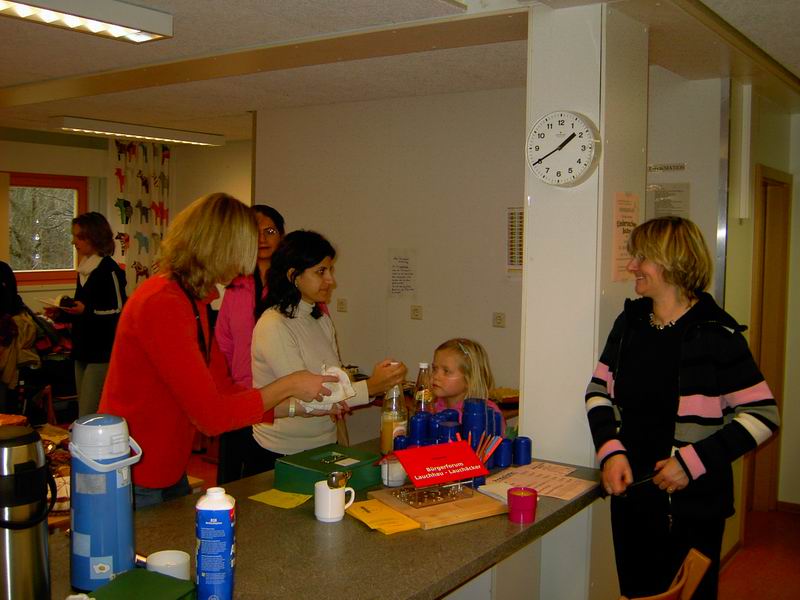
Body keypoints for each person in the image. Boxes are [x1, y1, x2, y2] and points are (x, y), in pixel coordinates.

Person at [99, 194, 339, 507]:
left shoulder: (192, 300)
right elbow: (211, 416)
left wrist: (297, 406)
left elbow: (224, 389)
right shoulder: (163, 302)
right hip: (136, 469)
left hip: (164, 464)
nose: (249, 257)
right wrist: (290, 384)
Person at [584, 216, 780, 599]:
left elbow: (763, 415)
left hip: (694, 506)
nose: (631, 266)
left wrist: (691, 463)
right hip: (633, 496)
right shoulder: (630, 322)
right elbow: (597, 391)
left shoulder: (716, 333)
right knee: (638, 594)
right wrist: (611, 451)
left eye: (641, 257)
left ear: (672, 261)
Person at [249, 230, 406, 474]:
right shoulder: (274, 324)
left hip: (323, 443)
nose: (330, 280)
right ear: (293, 276)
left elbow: (336, 382)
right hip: (282, 451)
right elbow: (309, 397)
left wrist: (372, 384)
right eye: (321, 271)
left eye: (330, 270)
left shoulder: (320, 319)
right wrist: (372, 386)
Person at [215, 204, 285, 484]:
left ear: (282, 236)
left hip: (279, 400)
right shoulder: (236, 286)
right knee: (233, 480)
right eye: (255, 232)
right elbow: (223, 344)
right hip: (240, 397)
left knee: (268, 481)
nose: (263, 239)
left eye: (270, 231)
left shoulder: (293, 286)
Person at [46, 212, 126, 416]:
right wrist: (60, 314)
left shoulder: (109, 270)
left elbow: (119, 310)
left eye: (79, 237)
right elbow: (80, 308)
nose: (74, 242)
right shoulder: (83, 270)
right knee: (83, 406)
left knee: (88, 411)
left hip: (102, 352)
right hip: (82, 348)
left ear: (93, 237)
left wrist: (86, 310)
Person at [431, 338, 504, 433]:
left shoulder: (487, 414)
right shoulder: (432, 407)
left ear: (469, 379)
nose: (435, 376)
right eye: (434, 368)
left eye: (446, 371)